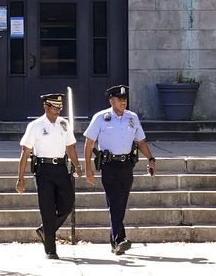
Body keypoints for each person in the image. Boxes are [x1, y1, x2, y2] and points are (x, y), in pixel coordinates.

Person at [81, 83, 157, 254]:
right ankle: (120, 239)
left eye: (125, 99)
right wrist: (88, 168)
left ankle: (114, 243)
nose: (123, 102)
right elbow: (89, 143)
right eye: (120, 99)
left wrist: (151, 159)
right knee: (115, 201)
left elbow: (141, 142)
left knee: (120, 203)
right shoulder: (101, 118)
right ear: (111, 100)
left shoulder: (132, 117)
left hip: (127, 165)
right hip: (109, 165)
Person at [15, 91, 78, 259]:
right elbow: (25, 152)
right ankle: (51, 249)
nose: (58, 110)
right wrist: (20, 179)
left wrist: (78, 165)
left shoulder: (64, 124)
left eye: (60, 107)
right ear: (46, 106)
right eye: (54, 107)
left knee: (68, 204)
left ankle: (45, 230)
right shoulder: (35, 125)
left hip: (61, 168)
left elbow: (70, 146)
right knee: (48, 209)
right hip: (43, 170)